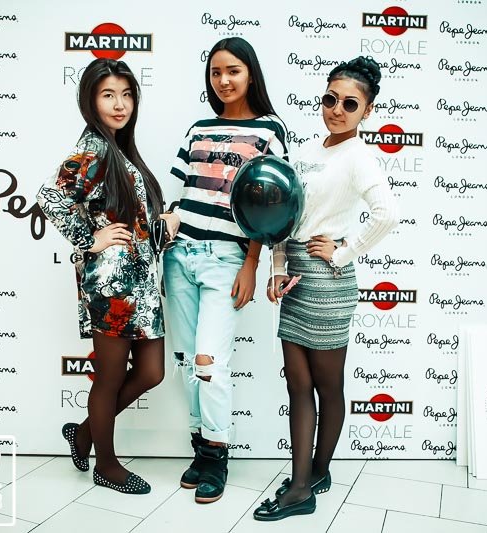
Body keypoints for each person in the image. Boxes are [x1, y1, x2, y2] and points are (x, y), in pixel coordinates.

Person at [253, 56, 399, 521]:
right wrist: (277, 268)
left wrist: (343, 252)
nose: (337, 109)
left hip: (328, 284)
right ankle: (308, 476)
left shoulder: (359, 157)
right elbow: (285, 215)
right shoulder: (308, 151)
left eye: (350, 104)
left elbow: (387, 214)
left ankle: (306, 483)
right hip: (296, 276)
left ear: (367, 111)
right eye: (330, 99)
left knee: (327, 386)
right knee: (298, 386)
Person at [160, 37, 287, 504]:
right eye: (215, 72)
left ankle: (217, 454)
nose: (224, 80)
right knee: (186, 362)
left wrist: (252, 262)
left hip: (226, 260)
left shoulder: (270, 131)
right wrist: (167, 223)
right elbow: (178, 191)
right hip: (179, 257)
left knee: (209, 363)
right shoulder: (199, 128)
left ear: (250, 74)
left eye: (233, 70)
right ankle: (201, 446)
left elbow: (272, 204)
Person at [37, 58, 165, 495]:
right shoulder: (92, 148)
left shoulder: (118, 149)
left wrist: (165, 224)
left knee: (151, 372)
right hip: (111, 284)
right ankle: (106, 466)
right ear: (90, 100)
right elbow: (50, 197)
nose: (120, 104)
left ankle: (84, 433)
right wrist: (89, 239)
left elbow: (136, 225)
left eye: (127, 95)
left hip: (140, 283)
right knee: (110, 378)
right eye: (108, 95)